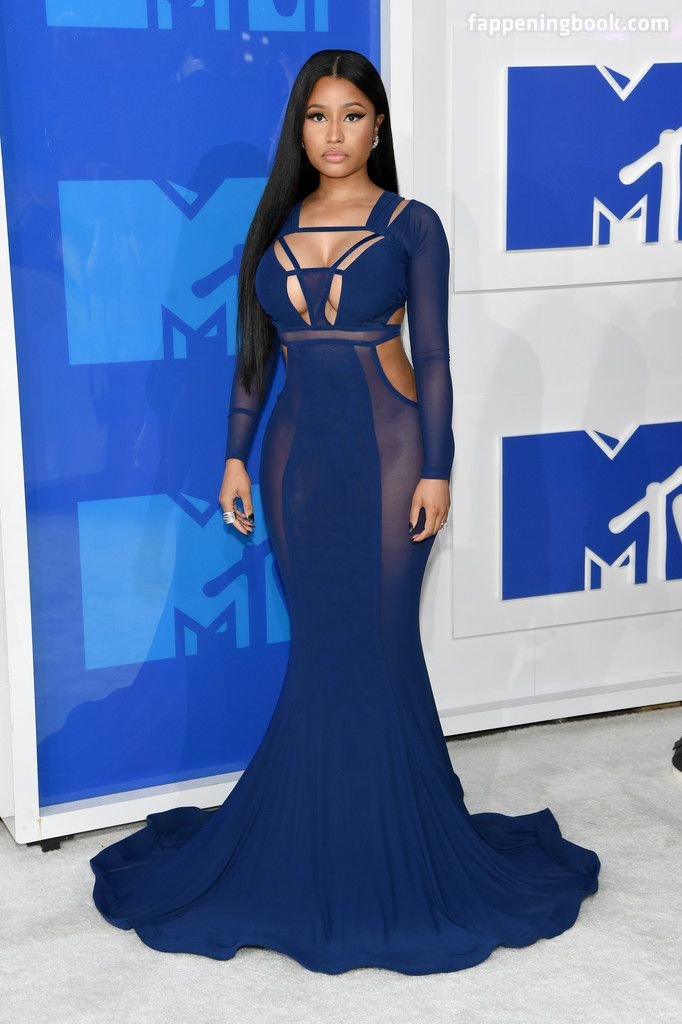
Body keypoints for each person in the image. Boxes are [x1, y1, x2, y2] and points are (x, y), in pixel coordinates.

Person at [90, 49, 600, 975]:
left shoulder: (412, 225)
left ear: (378, 126)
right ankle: (323, 829)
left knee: (381, 641)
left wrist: (438, 467)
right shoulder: (274, 224)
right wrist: (234, 454)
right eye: (318, 116)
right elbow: (255, 353)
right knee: (325, 647)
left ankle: (398, 835)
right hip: (296, 464)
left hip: (394, 455)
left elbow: (435, 358)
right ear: (300, 127)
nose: (334, 134)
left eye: (352, 115)